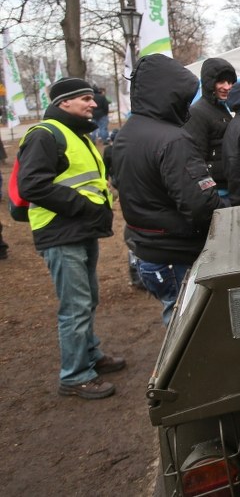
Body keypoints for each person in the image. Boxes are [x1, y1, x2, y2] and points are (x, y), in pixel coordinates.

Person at [15, 77, 124, 400]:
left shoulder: (76, 133)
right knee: (75, 306)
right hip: (61, 232)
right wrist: (85, 207)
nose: (93, 103)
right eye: (85, 99)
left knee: (87, 298)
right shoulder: (46, 134)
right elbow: (32, 185)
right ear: (64, 102)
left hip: (79, 228)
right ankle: (75, 376)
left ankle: (89, 354)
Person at [111, 54, 225, 326]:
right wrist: (226, 214)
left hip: (147, 250)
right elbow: (199, 205)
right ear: (171, 95)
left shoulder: (128, 132)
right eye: (184, 98)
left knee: (174, 320)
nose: (188, 105)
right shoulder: (173, 140)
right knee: (192, 329)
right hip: (176, 252)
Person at [184, 57, 237, 198]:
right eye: (221, 82)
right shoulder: (197, 112)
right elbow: (195, 160)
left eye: (230, 82)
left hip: (228, 185)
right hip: (216, 191)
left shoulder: (221, 107)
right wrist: (209, 194)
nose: (227, 87)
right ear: (209, 83)